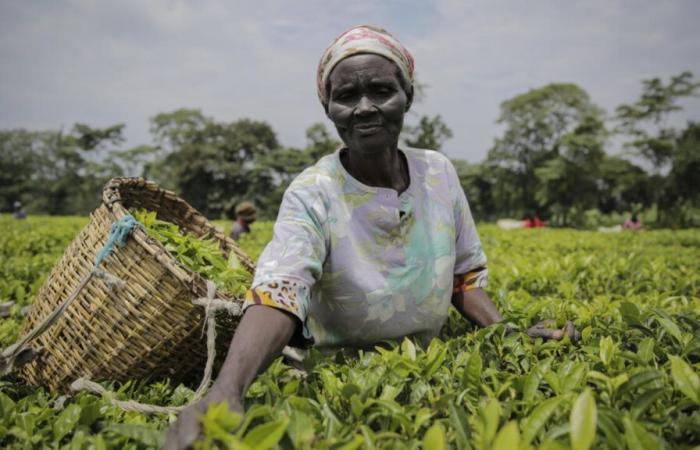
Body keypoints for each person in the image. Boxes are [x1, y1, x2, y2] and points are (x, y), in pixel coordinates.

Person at [166, 25, 577, 448]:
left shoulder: (438, 173)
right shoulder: (313, 192)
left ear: (408, 97)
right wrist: (227, 390)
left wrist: (503, 330)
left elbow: (463, 275)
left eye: (381, 90)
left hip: (427, 366)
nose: (365, 108)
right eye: (346, 96)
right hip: (341, 381)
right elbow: (280, 291)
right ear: (328, 106)